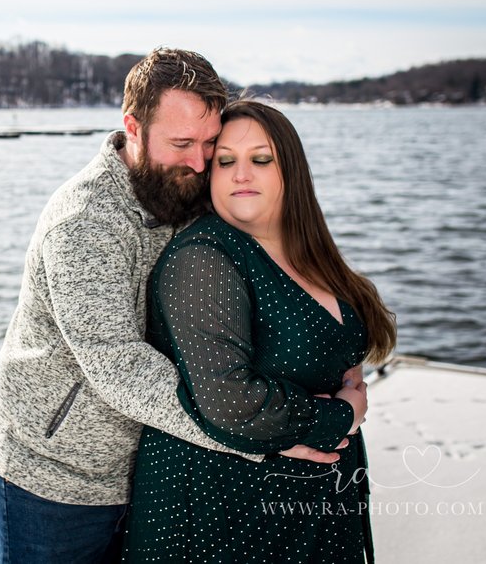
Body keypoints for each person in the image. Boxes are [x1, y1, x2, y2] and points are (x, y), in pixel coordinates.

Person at [0, 50, 362, 563]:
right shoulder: (84, 223)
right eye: (181, 143)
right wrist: (260, 438)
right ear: (133, 129)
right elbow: (118, 366)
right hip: (58, 479)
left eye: (210, 144)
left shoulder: (191, 183)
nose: (200, 161)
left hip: (156, 462)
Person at [121, 100, 396, 563]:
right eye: (225, 161)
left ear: (291, 169)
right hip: (222, 514)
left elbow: (340, 340)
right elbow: (232, 401)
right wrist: (340, 417)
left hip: (314, 505)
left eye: (260, 159)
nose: (240, 174)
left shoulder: (309, 253)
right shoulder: (205, 259)